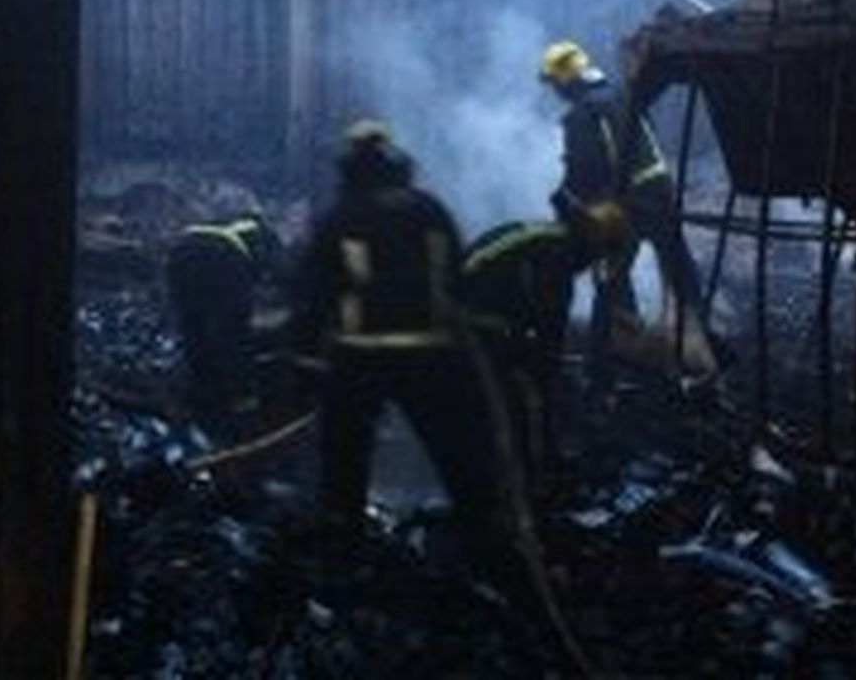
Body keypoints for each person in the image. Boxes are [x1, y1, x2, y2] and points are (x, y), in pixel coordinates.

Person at [288, 121, 591, 672]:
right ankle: (486, 544)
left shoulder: (340, 217)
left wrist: (306, 356)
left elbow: (314, 291)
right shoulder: (429, 209)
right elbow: (454, 277)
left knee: (345, 455)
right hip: (435, 353)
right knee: (463, 457)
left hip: (361, 354)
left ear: (351, 167)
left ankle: (344, 549)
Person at [539, 39, 707, 371]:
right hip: (660, 190)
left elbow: (584, 173)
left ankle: (604, 371)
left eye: (554, 84)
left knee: (610, 281)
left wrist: (564, 201)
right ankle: (699, 345)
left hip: (629, 201)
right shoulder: (624, 95)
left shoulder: (581, 114)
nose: (554, 93)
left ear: (565, 81)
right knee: (679, 269)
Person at [462, 203, 626, 489]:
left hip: (477, 310)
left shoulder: (553, 238)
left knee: (529, 382)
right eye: (604, 253)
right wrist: (549, 365)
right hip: (476, 317)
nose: (596, 263)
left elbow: (537, 310)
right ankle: (531, 473)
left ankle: (528, 464)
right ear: (598, 241)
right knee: (525, 395)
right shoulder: (559, 254)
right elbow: (550, 322)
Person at [165, 211, 284, 426]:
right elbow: (282, 270)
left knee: (193, 327)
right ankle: (245, 405)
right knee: (233, 335)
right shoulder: (263, 232)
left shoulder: (219, 221)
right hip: (220, 256)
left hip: (180, 253)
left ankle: (203, 390)